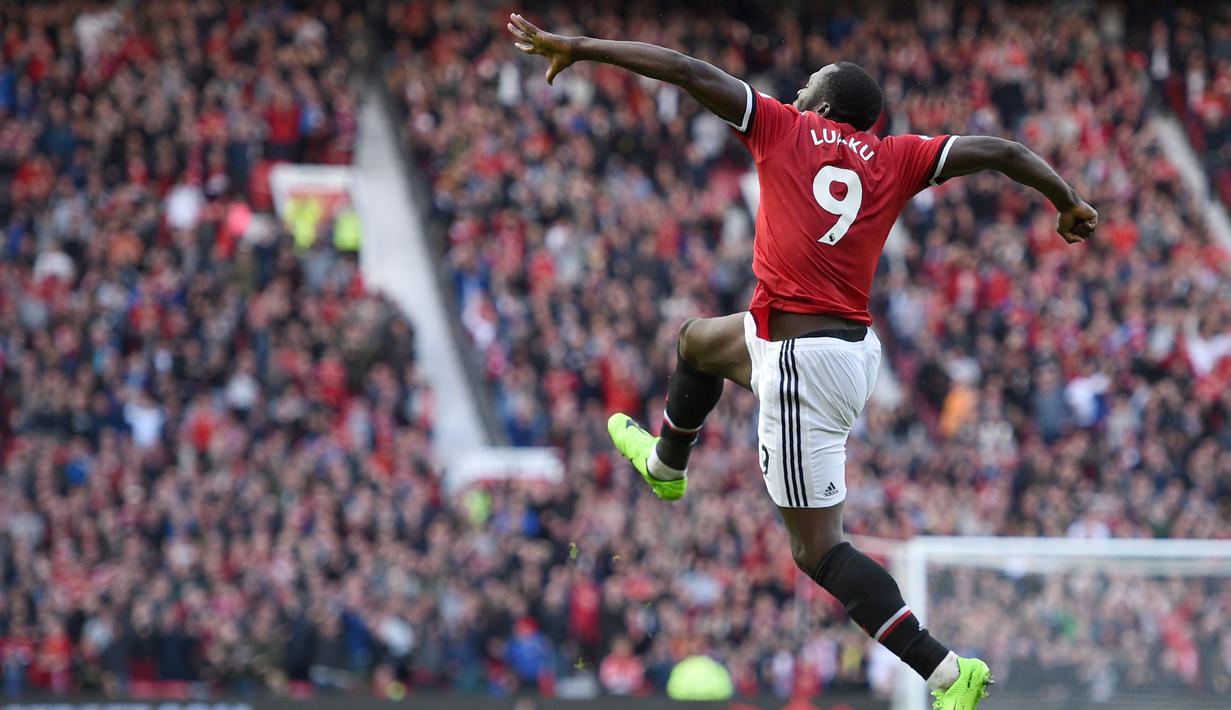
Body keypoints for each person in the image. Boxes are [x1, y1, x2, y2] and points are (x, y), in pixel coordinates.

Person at [507, 12, 1098, 710]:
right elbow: (1001, 150)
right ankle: (666, 466)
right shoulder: (896, 156)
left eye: (805, 87)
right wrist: (1066, 201)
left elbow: (686, 69)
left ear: (821, 102)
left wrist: (579, 47)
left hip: (801, 364)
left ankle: (946, 672)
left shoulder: (782, 126)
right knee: (697, 341)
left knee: (817, 551)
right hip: (829, 345)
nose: (793, 94)